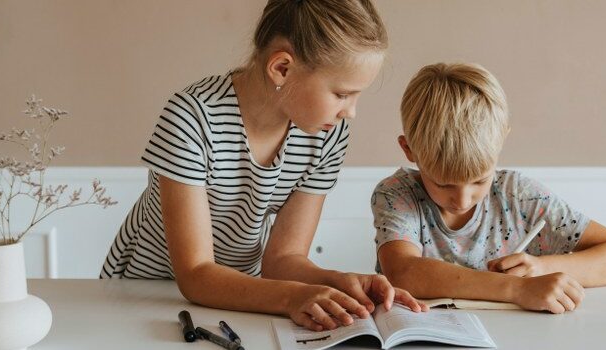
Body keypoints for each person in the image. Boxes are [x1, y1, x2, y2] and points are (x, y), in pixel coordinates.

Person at [100, 0, 426, 331]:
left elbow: (283, 260)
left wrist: (344, 282)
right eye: (342, 94)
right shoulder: (191, 118)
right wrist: (290, 298)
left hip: (242, 297)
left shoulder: (327, 134)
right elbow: (196, 274)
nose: (350, 111)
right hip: (143, 296)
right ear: (282, 68)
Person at [373, 62, 606, 314]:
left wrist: (540, 268)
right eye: (443, 184)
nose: (462, 200)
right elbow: (404, 272)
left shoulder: (519, 196)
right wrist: (517, 289)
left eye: (479, 180)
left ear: (501, 142)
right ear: (409, 149)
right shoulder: (397, 193)